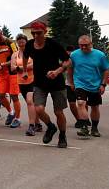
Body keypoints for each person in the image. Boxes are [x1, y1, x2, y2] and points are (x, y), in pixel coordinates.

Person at [22, 21, 71, 149]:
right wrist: (24, 70)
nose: (36, 35)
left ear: (45, 32)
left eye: (39, 33)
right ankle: (51, 127)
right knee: (38, 109)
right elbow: (25, 56)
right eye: (33, 33)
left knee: (58, 112)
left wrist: (57, 71)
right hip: (39, 83)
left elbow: (68, 60)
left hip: (57, 83)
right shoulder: (29, 45)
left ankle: (62, 135)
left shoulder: (53, 44)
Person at [69, 35, 109, 138]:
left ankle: (94, 128)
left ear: (91, 44)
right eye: (81, 45)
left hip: (95, 84)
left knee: (95, 107)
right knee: (80, 102)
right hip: (80, 83)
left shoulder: (100, 55)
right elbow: (70, 69)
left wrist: (103, 84)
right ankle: (84, 127)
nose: (83, 47)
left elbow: (106, 69)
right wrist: (71, 82)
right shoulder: (74, 55)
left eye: (86, 45)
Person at [0, 26, 21, 128]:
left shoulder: (10, 42)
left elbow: (16, 57)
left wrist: (4, 64)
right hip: (2, 73)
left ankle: (17, 118)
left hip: (12, 73)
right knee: (1, 95)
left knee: (14, 96)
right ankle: (11, 113)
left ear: (1, 32)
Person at [12, 34, 42, 136]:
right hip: (21, 82)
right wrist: (20, 68)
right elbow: (12, 67)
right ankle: (37, 123)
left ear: (26, 41)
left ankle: (31, 126)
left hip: (33, 80)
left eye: (23, 40)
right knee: (32, 104)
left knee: (30, 101)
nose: (21, 43)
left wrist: (21, 68)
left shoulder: (32, 52)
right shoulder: (15, 55)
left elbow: (35, 64)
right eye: (19, 41)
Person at [65, 46, 81, 127]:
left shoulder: (79, 59)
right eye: (68, 53)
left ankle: (85, 119)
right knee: (72, 103)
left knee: (82, 103)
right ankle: (78, 119)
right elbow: (62, 68)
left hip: (80, 83)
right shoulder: (66, 59)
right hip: (69, 84)